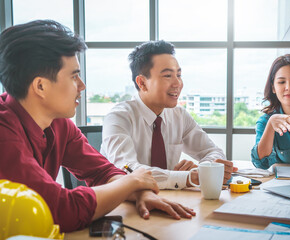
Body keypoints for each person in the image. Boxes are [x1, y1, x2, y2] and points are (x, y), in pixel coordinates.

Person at [0, 20, 195, 233]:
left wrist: (139, 191)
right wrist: (131, 183)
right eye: (74, 76)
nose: (82, 85)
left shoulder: (59, 123)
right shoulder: (4, 134)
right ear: (40, 86)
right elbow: (59, 210)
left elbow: (102, 171)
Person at [100, 40, 235, 189]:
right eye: (168, 76)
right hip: (124, 204)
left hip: (170, 200)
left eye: (179, 74)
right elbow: (126, 169)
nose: (177, 83)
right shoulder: (119, 117)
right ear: (142, 83)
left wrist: (202, 169)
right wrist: (188, 178)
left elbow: (213, 151)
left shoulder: (179, 115)